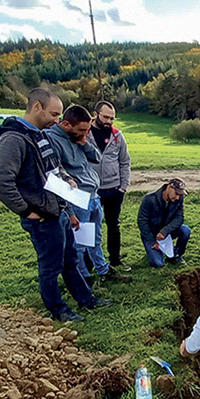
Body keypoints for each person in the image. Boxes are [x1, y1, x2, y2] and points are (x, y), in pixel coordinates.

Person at [0, 88, 111, 323]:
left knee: (71, 261)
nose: (57, 120)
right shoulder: (14, 139)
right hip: (42, 217)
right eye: (54, 114)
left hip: (59, 212)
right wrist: (26, 211)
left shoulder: (39, 134)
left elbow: (52, 168)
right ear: (36, 107)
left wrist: (67, 180)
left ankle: (86, 299)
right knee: (50, 267)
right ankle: (58, 309)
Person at [45, 105, 130, 285]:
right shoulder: (53, 140)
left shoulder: (78, 137)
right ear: (66, 124)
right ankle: (83, 276)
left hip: (93, 195)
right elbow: (55, 176)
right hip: (77, 198)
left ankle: (102, 269)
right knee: (79, 242)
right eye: (82, 130)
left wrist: (84, 142)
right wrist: (69, 210)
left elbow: (96, 158)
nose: (85, 133)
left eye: (87, 130)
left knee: (94, 237)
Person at [91, 100, 132, 272]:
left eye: (112, 118)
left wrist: (123, 186)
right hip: (92, 190)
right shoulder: (84, 134)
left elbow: (125, 162)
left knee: (113, 225)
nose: (108, 121)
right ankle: (89, 262)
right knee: (92, 226)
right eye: (105, 117)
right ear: (95, 114)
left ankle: (115, 259)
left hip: (114, 189)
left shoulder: (117, 136)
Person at [137, 178, 191, 267]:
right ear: (169, 187)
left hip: (166, 232)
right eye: (176, 193)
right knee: (158, 264)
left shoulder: (178, 199)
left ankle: (176, 255)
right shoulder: (149, 199)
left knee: (185, 230)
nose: (178, 197)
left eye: (180, 194)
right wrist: (152, 241)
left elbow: (179, 218)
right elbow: (142, 221)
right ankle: (155, 251)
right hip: (151, 234)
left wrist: (164, 232)